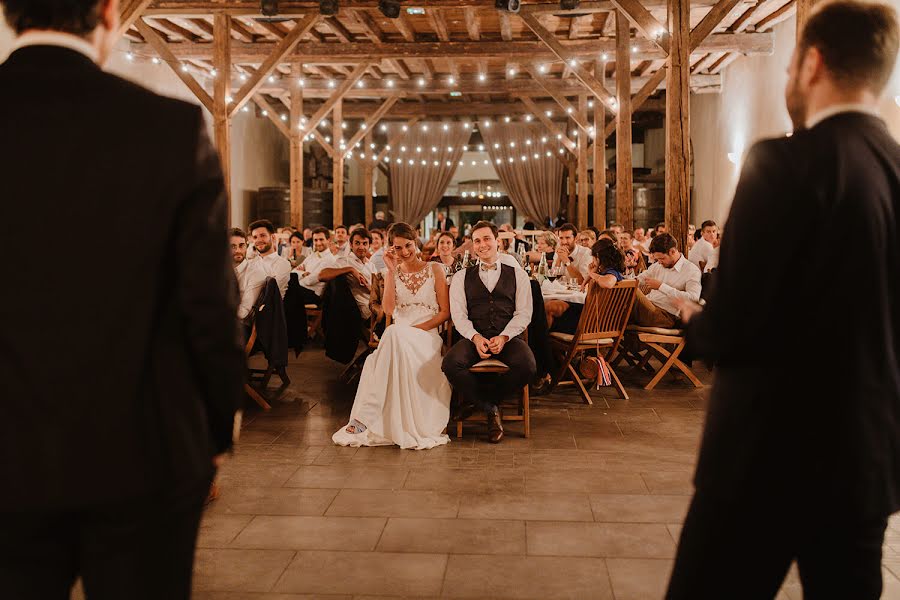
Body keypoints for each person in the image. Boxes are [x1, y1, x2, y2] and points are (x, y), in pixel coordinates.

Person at [0, 1, 245, 596]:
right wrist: (216, 429)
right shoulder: (167, 128)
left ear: (9, 13)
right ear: (109, 12)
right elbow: (209, 306)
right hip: (143, 451)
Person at [666, 3, 900, 599]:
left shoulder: (783, 162)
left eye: (791, 64)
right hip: (866, 460)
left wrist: (695, 319)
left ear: (812, 63)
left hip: (763, 458)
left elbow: (737, 327)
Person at [332, 223, 452, 449]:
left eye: (408, 245)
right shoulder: (393, 273)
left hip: (426, 335)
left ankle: (364, 417)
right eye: (398, 248)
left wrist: (415, 330)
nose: (404, 252)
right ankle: (369, 417)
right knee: (391, 335)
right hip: (398, 336)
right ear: (391, 250)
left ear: (415, 242)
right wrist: (390, 271)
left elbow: (445, 313)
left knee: (390, 338)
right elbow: (388, 310)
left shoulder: (435, 269)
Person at [442, 221, 536, 444]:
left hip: (507, 336)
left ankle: (480, 402)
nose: (482, 244)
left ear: (498, 242)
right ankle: (490, 408)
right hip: (474, 336)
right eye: (477, 241)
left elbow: (524, 314)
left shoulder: (518, 275)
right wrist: (475, 338)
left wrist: (504, 337)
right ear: (472, 247)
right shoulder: (461, 277)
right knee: (450, 364)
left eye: (486, 239)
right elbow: (459, 317)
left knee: (529, 366)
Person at [545, 239, 624, 332]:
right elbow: (583, 284)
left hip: (593, 322)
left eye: (593, 257)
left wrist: (591, 274)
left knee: (548, 311)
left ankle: (544, 344)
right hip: (590, 313)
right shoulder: (604, 271)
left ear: (598, 257)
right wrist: (590, 275)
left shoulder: (612, 272)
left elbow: (608, 283)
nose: (592, 261)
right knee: (551, 305)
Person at [631, 233, 701, 329]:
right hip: (649, 307)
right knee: (627, 289)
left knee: (634, 293)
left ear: (672, 251)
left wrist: (661, 286)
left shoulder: (691, 270)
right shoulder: (658, 266)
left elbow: (693, 299)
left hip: (666, 316)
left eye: (662, 258)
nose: (659, 262)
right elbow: (639, 279)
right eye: (657, 259)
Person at [319, 228, 377, 319]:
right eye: (357, 243)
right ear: (351, 244)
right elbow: (321, 275)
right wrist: (350, 269)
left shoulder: (371, 265)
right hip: (360, 310)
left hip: (376, 304)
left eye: (365, 243)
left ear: (369, 245)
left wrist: (370, 288)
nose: (361, 247)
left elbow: (376, 290)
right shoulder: (344, 261)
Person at [247, 219, 292, 299]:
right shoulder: (251, 263)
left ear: (273, 237)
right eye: (255, 237)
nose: (259, 240)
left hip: (270, 308)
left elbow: (270, 293)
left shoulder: (283, 264)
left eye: (263, 235)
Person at [293, 226, 336, 306]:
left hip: (313, 295)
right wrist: (303, 273)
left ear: (328, 240)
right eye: (315, 240)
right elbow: (293, 272)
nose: (318, 243)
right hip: (302, 289)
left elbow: (310, 281)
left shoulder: (329, 260)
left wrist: (299, 276)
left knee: (285, 292)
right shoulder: (312, 255)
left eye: (321, 239)